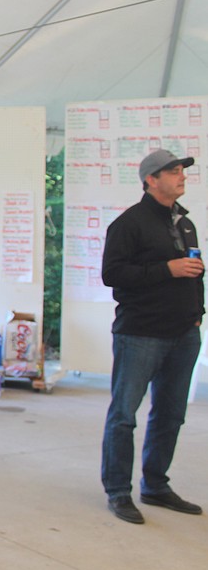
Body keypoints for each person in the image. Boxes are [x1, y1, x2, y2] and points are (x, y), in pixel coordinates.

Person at [100, 148, 205, 524]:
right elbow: (113, 275)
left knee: (171, 415)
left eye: (182, 171)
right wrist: (167, 269)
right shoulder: (129, 224)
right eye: (173, 171)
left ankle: (156, 485)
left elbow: (194, 272)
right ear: (150, 180)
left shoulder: (184, 223)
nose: (181, 176)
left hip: (184, 333)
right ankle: (118, 491)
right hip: (141, 334)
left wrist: (198, 315)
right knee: (124, 415)